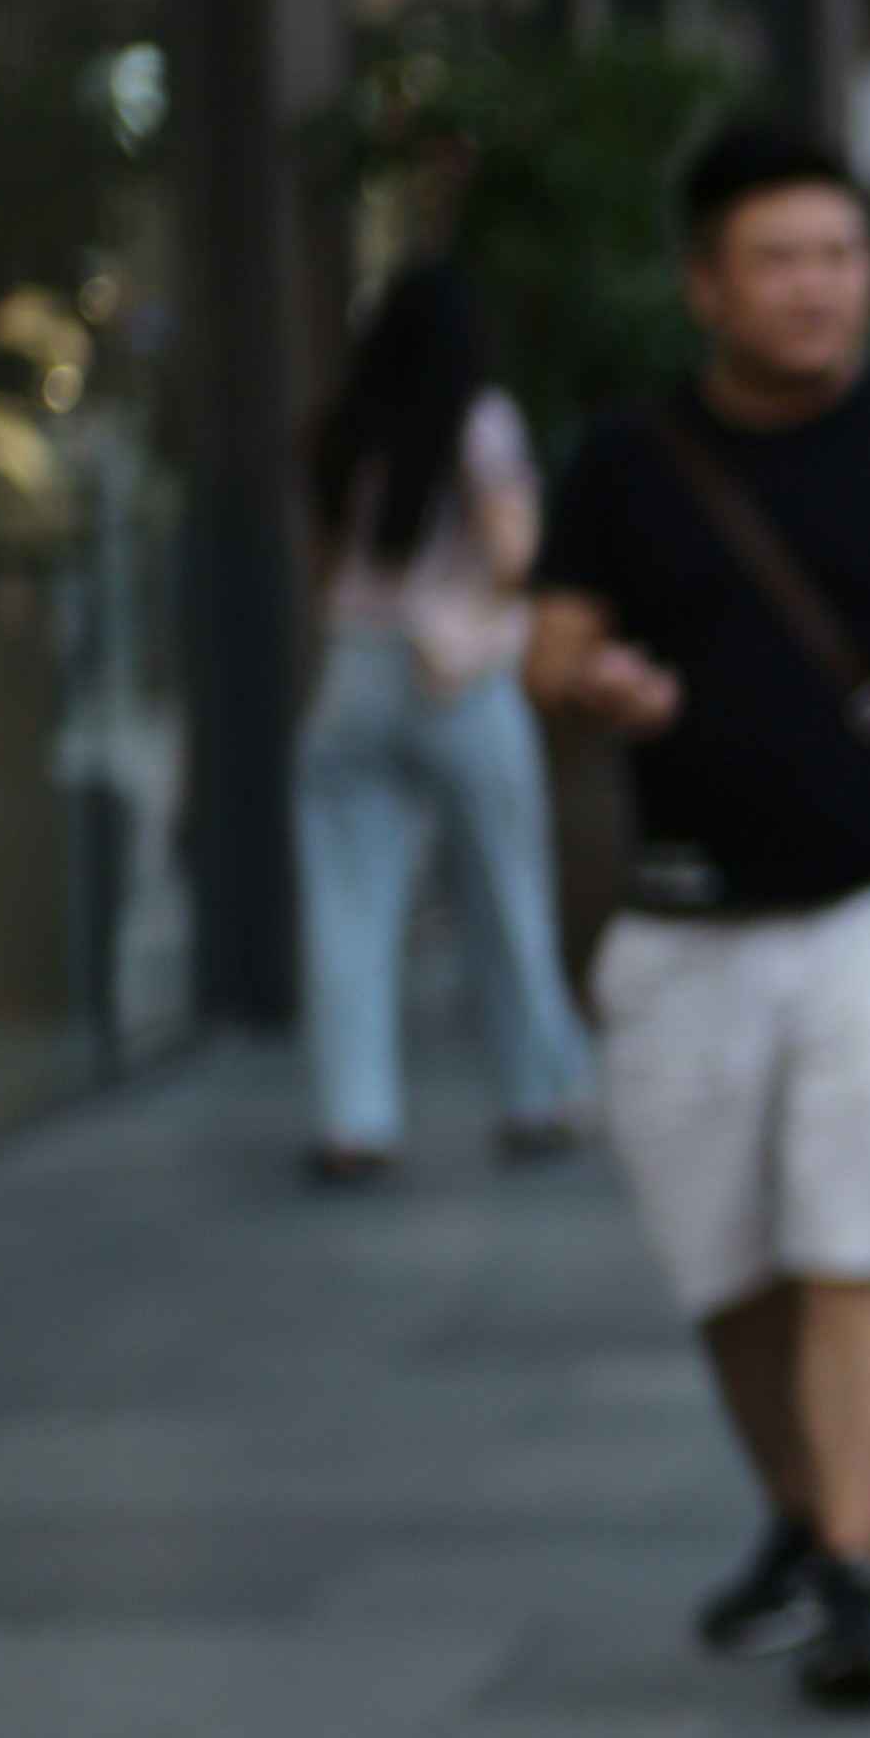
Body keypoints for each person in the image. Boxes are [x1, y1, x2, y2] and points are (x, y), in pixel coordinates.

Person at [524, 126, 870, 1716]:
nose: (819, 286)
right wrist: (592, 682)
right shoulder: (627, 459)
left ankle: (853, 1575)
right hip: (681, 928)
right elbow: (547, 649)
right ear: (705, 284)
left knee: (856, 1236)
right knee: (728, 1268)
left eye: (838, 253)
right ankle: (799, 1511)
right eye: (778, 258)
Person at [290, 260, 593, 1185]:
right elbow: (512, 553)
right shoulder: (480, 420)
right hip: (456, 673)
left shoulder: (347, 425)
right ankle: (537, 1096)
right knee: (503, 890)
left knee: (348, 907)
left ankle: (356, 1121)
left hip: (353, 665)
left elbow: (327, 565)